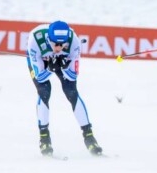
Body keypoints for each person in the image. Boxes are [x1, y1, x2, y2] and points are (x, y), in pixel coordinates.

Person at [26, 20, 103, 156]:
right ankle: (44, 137)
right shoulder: (35, 41)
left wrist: (64, 66)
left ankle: (89, 136)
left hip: (62, 62)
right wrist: (50, 68)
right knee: (44, 91)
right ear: (49, 39)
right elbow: (40, 78)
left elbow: (73, 77)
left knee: (71, 92)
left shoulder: (74, 42)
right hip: (41, 61)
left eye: (63, 44)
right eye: (56, 44)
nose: (59, 48)